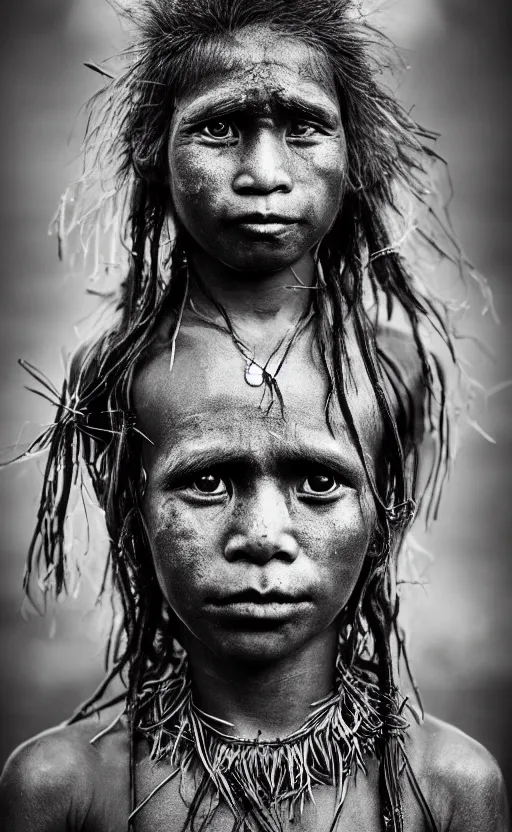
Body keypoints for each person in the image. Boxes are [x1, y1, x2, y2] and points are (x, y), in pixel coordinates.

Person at [0, 1, 508, 830]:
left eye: (303, 127)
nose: (264, 171)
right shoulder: (64, 789)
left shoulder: (445, 789)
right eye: (223, 127)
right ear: (153, 153)